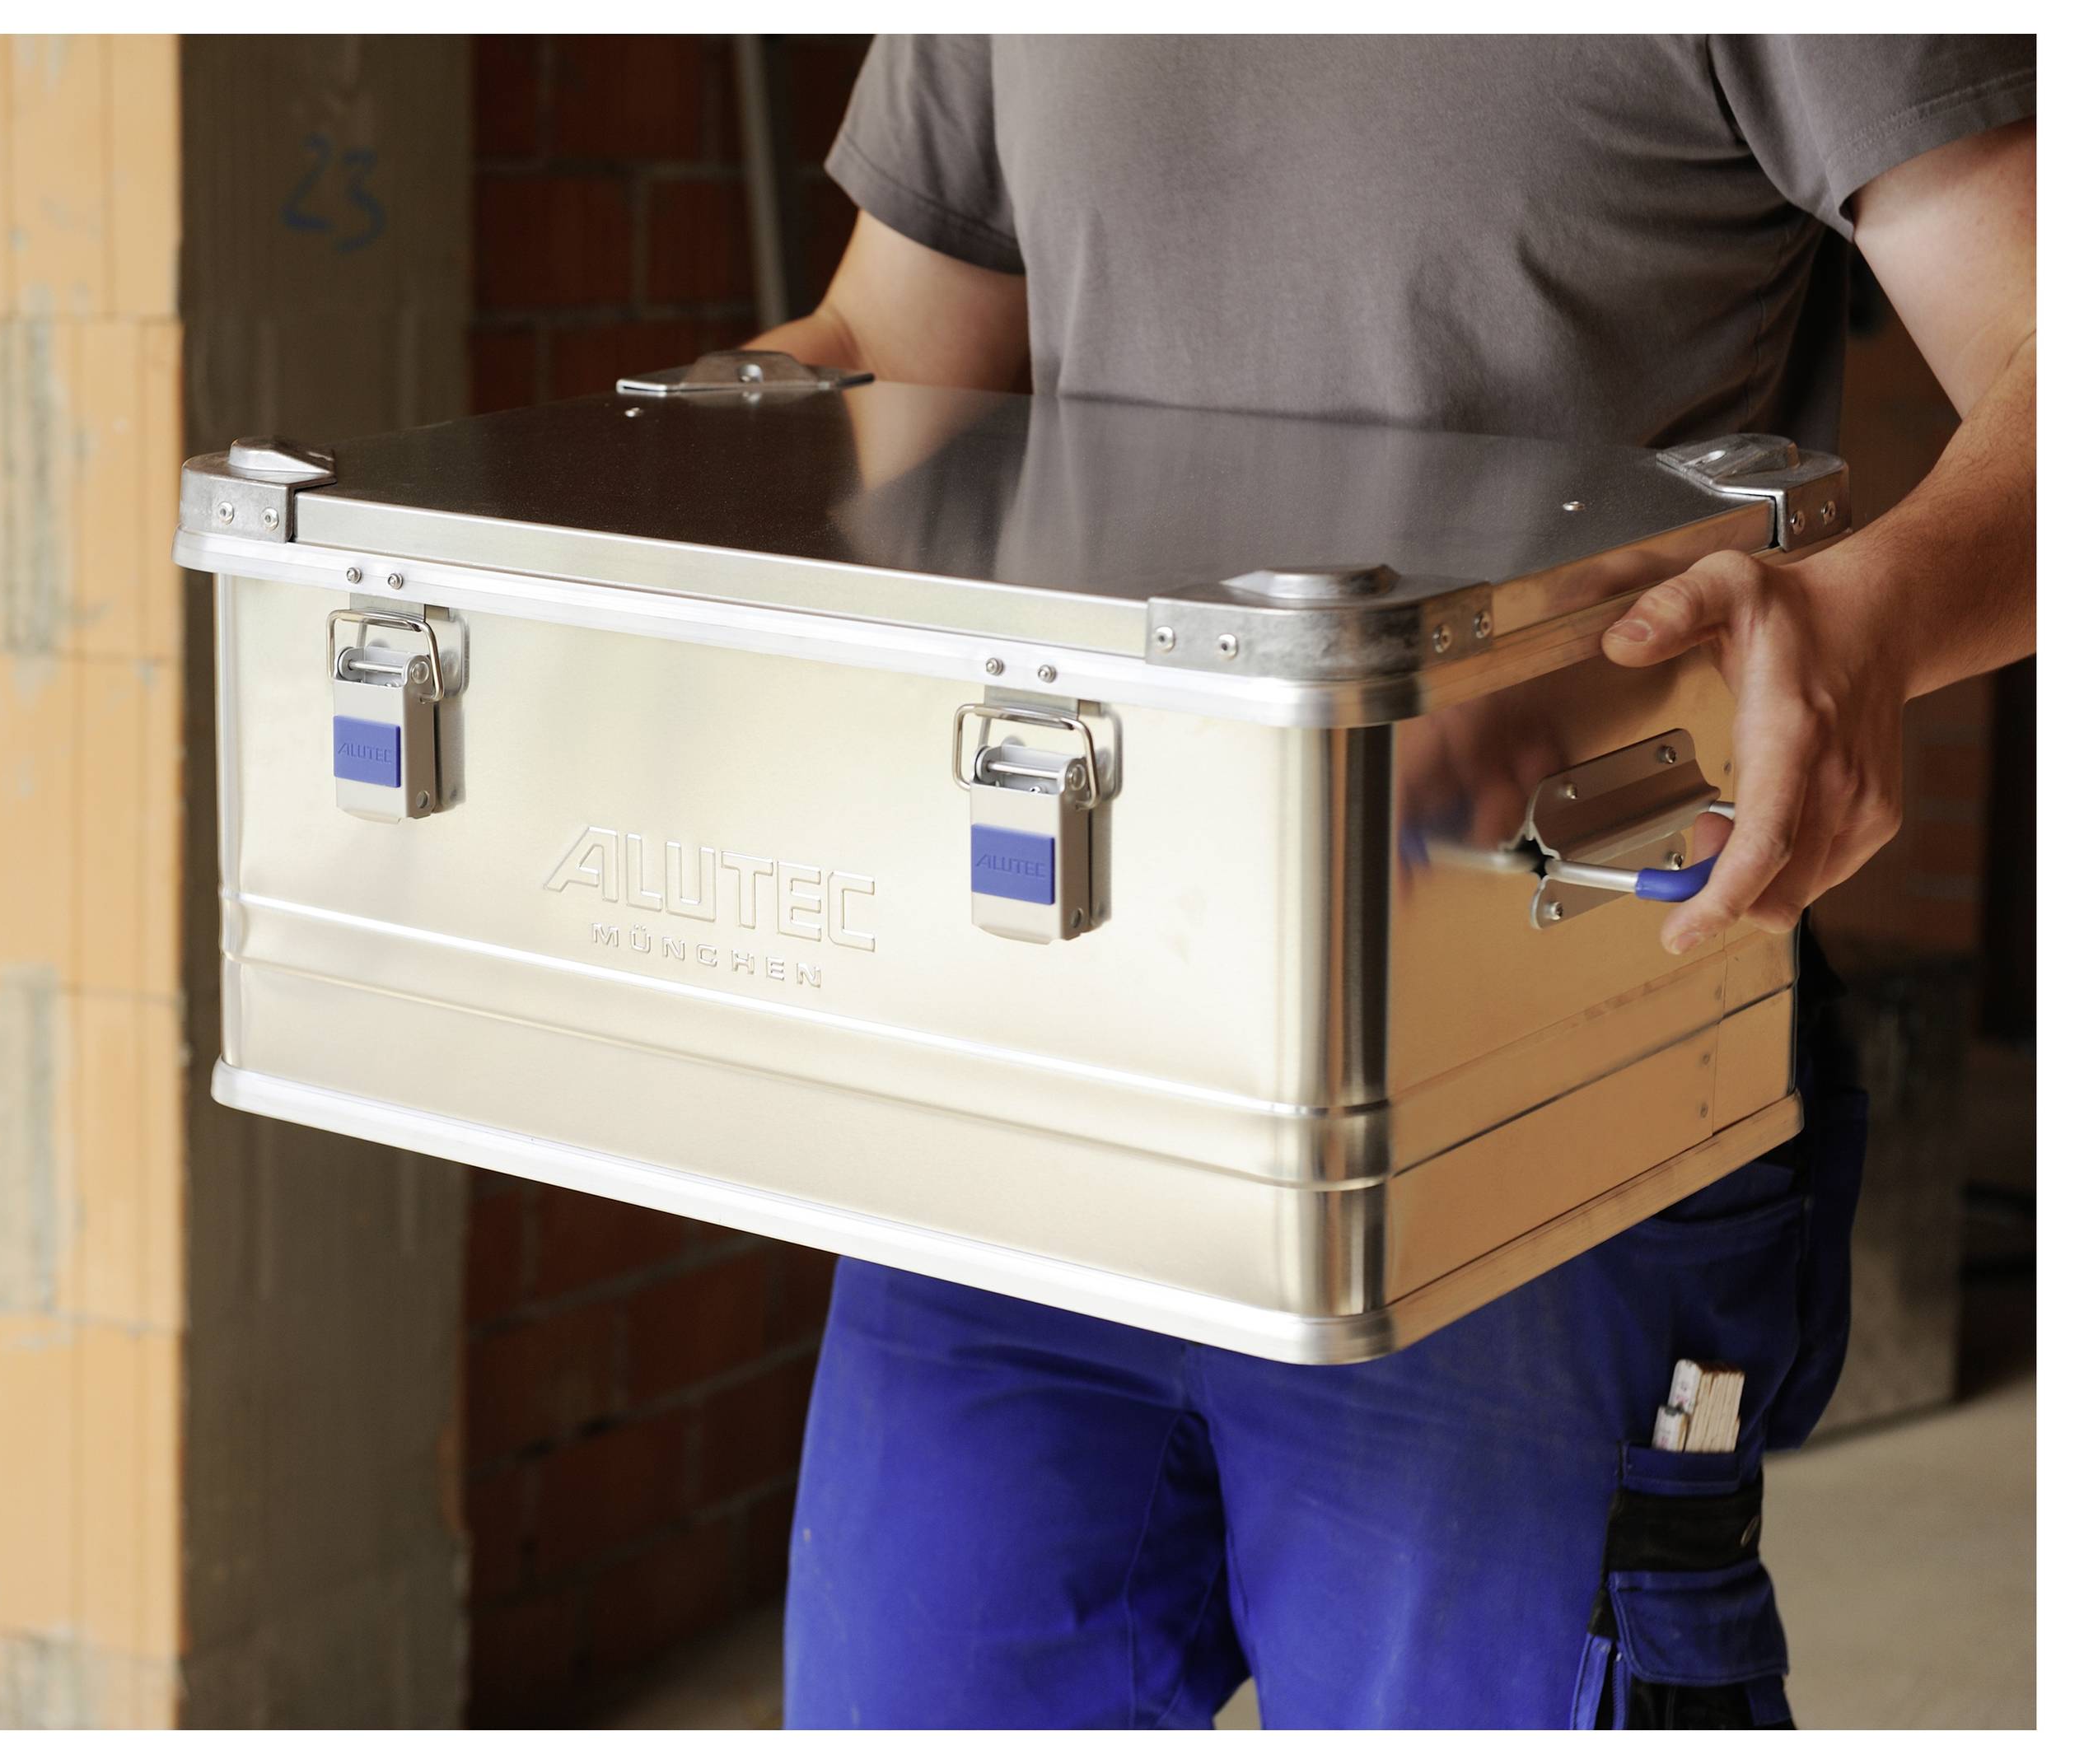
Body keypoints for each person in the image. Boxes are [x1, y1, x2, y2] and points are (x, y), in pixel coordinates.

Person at [750, 35, 2035, 1729]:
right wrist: (595, 491)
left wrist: (1879, 617)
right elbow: (888, 358)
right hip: (1035, 1049)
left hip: (1530, 1071)